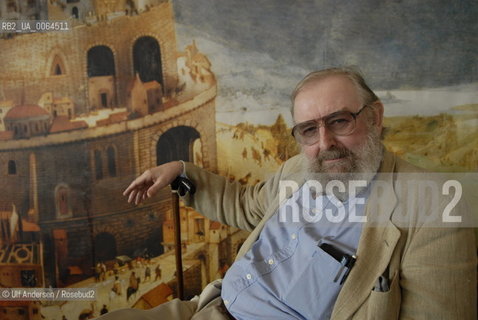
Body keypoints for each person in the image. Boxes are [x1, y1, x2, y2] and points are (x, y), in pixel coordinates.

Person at [100, 67, 476, 319]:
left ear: (375, 117)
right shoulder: (299, 170)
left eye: (339, 121)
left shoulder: (436, 205)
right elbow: (246, 206)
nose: (325, 143)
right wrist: (180, 171)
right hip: (208, 308)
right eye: (309, 130)